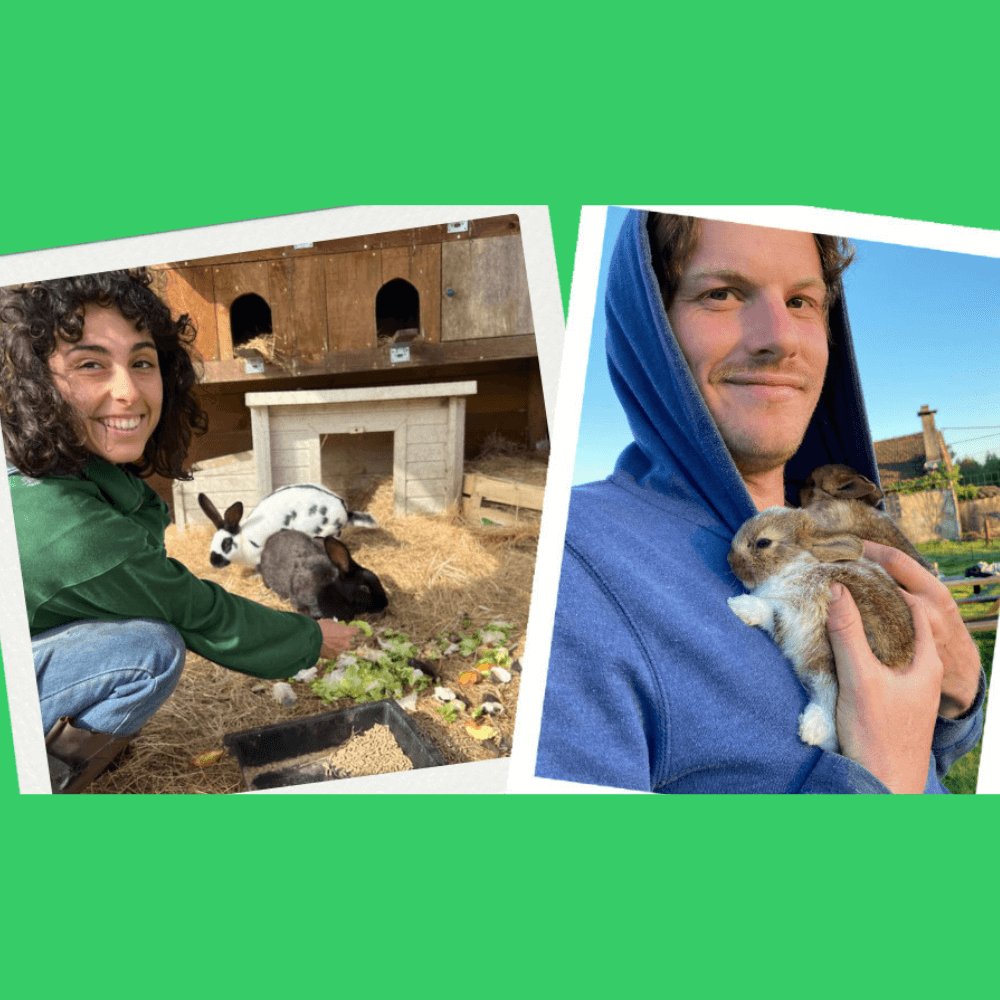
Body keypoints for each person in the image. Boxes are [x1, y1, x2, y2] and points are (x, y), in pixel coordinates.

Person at [534, 211, 984, 794]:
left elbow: (924, 755)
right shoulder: (576, 569)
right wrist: (882, 782)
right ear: (651, 326)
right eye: (721, 293)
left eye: (802, 301)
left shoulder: (842, 526)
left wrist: (957, 699)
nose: (779, 336)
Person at [0, 269, 359, 793]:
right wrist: (308, 638)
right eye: (90, 364)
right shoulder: (62, 523)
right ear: (34, 383)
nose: (127, 390)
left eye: (142, 362)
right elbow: (192, 609)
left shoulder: (54, 464)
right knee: (151, 651)